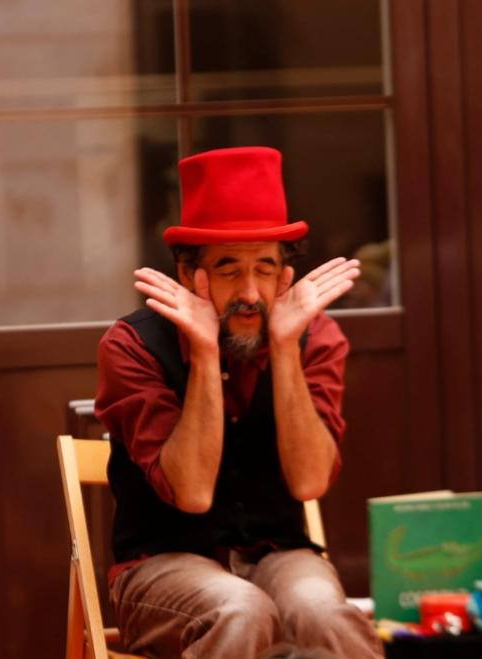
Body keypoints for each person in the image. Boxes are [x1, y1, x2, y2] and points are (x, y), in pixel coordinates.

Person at [95, 146, 383, 658]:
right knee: (241, 610)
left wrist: (286, 349)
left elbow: (310, 482)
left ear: (284, 276)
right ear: (190, 274)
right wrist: (205, 352)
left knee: (326, 615)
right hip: (161, 564)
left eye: (265, 268)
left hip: (279, 554)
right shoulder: (133, 345)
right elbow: (192, 493)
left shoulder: (315, 339)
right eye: (229, 270)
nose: (250, 292)